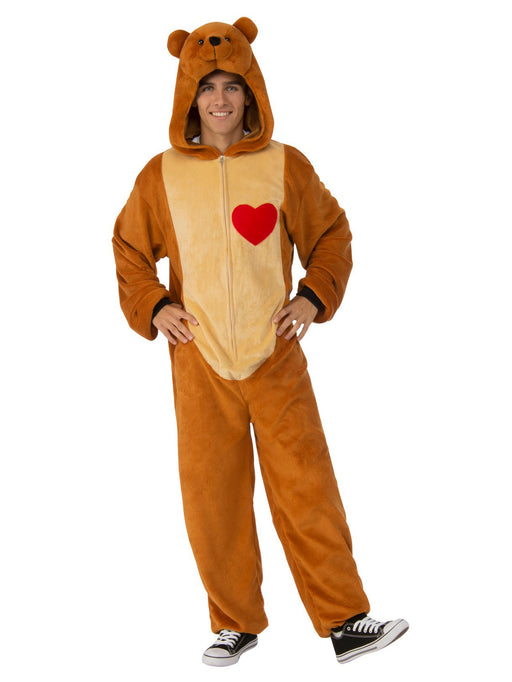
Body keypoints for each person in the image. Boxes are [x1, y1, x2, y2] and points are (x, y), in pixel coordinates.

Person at [112, 17, 408, 667]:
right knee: (212, 495)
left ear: (251, 93)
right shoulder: (161, 175)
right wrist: (156, 306)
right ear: (190, 96)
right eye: (207, 87)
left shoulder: (284, 166)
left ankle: (346, 621)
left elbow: (330, 235)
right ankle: (233, 623)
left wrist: (312, 295)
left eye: (232, 86)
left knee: (307, 485)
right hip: (200, 361)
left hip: (275, 354)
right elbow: (130, 249)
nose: (220, 100)